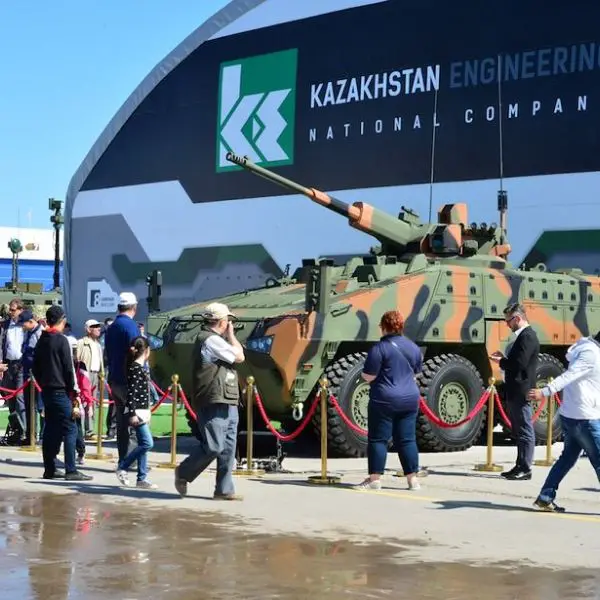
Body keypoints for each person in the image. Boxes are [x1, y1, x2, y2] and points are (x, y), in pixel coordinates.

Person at [174, 302, 245, 500]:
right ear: (222, 321)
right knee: (214, 446)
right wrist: (232, 336)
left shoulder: (215, 340)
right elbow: (240, 357)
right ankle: (184, 472)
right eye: (228, 320)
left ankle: (224, 489)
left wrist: (229, 337)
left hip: (227, 397)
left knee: (228, 448)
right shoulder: (210, 340)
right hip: (213, 398)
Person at [353, 310, 423, 491]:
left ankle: (375, 479)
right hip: (410, 399)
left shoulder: (379, 349)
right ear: (401, 327)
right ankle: (413, 480)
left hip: (384, 400)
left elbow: (369, 376)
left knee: (378, 439)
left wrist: (365, 376)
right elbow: (416, 373)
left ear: (383, 327)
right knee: (407, 439)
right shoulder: (413, 347)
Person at [528, 335, 600, 512]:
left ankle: (545, 497)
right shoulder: (590, 353)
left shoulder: (584, 349)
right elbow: (569, 376)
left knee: (567, 458)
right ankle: (545, 496)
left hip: (572, 415)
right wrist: (545, 391)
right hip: (585, 418)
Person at [32, 305, 92, 481]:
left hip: (47, 390)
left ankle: (50, 468)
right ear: (62, 321)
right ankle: (71, 469)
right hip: (61, 390)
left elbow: (35, 367)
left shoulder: (42, 340)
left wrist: (43, 382)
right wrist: (74, 391)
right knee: (71, 428)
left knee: (51, 428)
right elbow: (68, 369)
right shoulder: (61, 340)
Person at [490, 303, 540, 481]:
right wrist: (504, 360)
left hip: (521, 389)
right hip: (516, 389)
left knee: (524, 430)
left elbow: (519, 364)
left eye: (508, 321)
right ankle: (520, 464)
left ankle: (525, 468)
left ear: (517, 318)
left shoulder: (527, 336)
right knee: (519, 430)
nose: (507, 324)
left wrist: (501, 361)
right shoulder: (523, 337)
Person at [115, 336, 157, 489]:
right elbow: (131, 393)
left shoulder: (140, 367)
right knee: (147, 443)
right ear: (147, 351)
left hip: (142, 410)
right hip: (137, 411)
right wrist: (132, 413)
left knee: (142, 444)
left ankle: (141, 478)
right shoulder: (135, 368)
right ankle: (123, 467)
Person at [104, 292, 140, 463]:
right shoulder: (131, 326)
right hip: (129, 380)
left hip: (115, 378)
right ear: (134, 307)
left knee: (121, 421)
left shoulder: (112, 327)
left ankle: (123, 458)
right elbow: (136, 352)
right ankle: (131, 460)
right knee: (134, 419)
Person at [0, 298, 26, 443]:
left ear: (21, 310)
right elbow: (1, 345)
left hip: (21, 365)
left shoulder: (25, 324)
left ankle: (24, 432)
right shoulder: (5, 325)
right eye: (10, 309)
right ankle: (15, 430)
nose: (10, 312)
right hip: (8, 365)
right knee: (10, 399)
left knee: (20, 399)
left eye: (13, 310)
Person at [19, 310, 45, 443]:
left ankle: (45, 435)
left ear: (30, 321)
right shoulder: (27, 333)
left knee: (42, 407)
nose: (22, 326)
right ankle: (31, 436)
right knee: (29, 406)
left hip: (39, 376)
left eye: (23, 323)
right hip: (27, 374)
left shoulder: (41, 333)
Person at [76, 319, 104, 438]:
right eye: (95, 326)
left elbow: (101, 362)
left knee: (92, 402)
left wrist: (101, 375)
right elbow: (76, 360)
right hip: (84, 375)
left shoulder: (98, 344)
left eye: (99, 326)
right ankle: (80, 430)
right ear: (88, 329)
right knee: (83, 401)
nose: (99, 329)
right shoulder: (81, 343)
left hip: (96, 375)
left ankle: (90, 430)